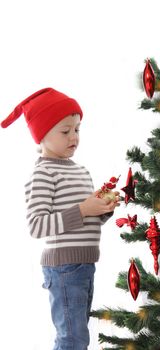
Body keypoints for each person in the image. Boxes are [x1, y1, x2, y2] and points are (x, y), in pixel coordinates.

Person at [1, 87, 119, 350]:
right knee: (72, 338)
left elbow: (88, 220)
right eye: (65, 131)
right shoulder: (43, 174)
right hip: (64, 268)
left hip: (85, 263)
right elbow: (37, 225)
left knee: (78, 334)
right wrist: (84, 209)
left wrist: (104, 209)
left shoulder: (81, 171)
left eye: (77, 129)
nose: (73, 137)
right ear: (41, 135)